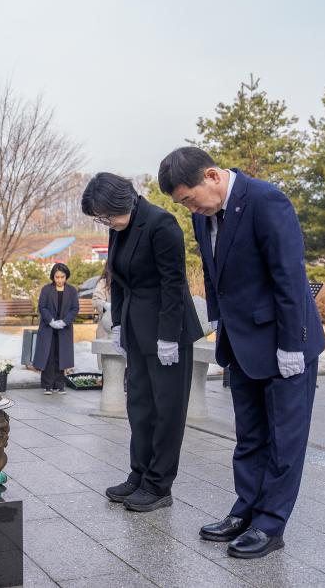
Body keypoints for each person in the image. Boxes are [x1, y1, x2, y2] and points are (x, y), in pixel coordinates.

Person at [159, 146, 325, 559]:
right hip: (240, 341)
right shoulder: (207, 216)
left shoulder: (266, 201)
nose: (190, 209)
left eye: (189, 199)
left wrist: (293, 343)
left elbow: (289, 276)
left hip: (284, 341)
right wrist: (217, 319)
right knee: (249, 436)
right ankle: (246, 509)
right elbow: (216, 275)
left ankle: (270, 523)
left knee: (284, 439)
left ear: (212, 176)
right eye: (182, 204)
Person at [81, 172, 203, 513]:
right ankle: (139, 474)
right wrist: (118, 323)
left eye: (106, 215)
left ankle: (159, 484)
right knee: (139, 406)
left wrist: (168, 337)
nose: (105, 222)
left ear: (124, 202)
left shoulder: (161, 224)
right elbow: (116, 278)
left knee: (167, 411)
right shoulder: (119, 227)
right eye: (100, 218)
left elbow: (173, 284)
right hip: (135, 326)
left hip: (168, 330)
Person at [32, 263, 79, 395]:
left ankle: (59, 384)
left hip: (64, 328)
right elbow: (42, 307)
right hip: (48, 327)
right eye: (57, 277)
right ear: (53, 277)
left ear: (66, 277)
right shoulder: (46, 289)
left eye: (62, 277)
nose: (59, 280)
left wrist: (64, 322)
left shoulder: (71, 290)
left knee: (61, 355)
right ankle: (47, 385)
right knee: (48, 355)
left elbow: (75, 308)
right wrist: (51, 321)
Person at [92, 264, 113, 369]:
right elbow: (96, 300)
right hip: (107, 327)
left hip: (126, 327)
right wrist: (106, 305)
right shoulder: (104, 282)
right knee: (107, 364)